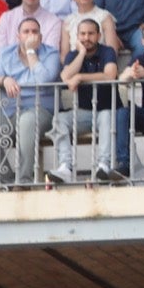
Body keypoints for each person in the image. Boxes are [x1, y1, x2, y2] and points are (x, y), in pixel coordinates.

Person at [46, 18, 125, 185]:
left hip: (108, 111)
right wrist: (81, 54)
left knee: (105, 116)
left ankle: (104, 165)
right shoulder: (73, 55)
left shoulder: (107, 51)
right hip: (85, 114)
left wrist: (81, 77)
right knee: (59, 119)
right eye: (82, 34)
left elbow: (109, 75)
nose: (86, 37)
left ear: (99, 35)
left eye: (90, 33)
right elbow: (65, 76)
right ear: (77, 36)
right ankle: (65, 167)